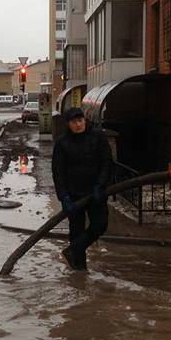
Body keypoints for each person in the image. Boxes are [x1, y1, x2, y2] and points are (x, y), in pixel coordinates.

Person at [52, 107, 112, 270]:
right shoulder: (62, 143)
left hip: (95, 193)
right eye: (74, 122)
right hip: (74, 196)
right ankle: (79, 274)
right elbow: (58, 172)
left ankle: (73, 250)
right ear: (68, 124)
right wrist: (63, 196)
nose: (78, 125)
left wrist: (100, 185)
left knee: (100, 225)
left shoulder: (97, 137)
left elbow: (106, 163)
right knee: (76, 232)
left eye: (80, 121)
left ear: (84, 120)